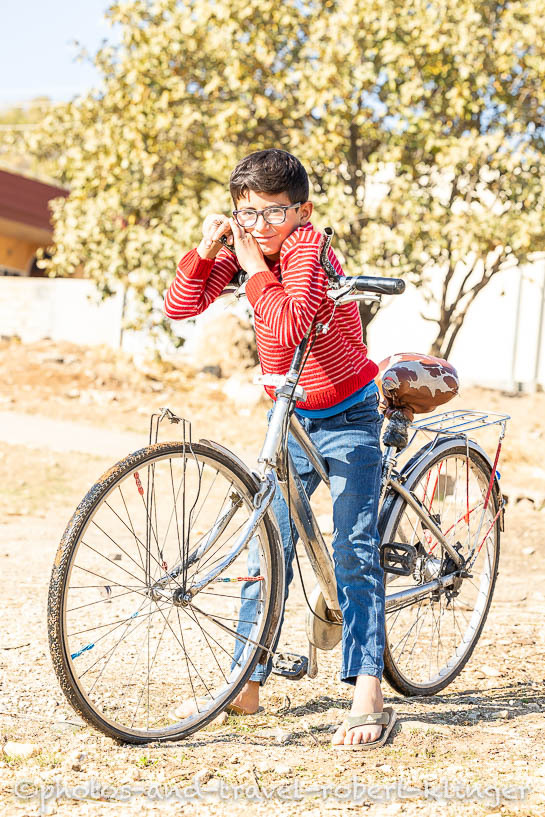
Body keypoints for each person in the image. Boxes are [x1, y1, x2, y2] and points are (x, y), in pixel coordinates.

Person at [163, 148, 396, 749]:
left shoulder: (307, 249)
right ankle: (247, 682)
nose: (260, 227)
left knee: (354, 549)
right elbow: (180, 307)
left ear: (302, 211)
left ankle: (368, 688)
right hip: (289, 418)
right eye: (247, 215)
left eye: (272, 214)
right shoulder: (249, 250)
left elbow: (289, 323)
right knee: (268, 547)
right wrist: (209, 251)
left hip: (348, 412)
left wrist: (251, 265)